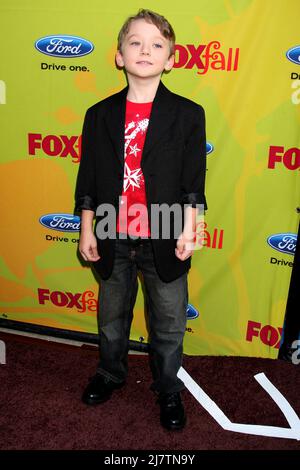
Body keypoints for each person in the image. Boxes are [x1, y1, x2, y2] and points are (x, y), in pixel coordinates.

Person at [75, 8, 207, 431]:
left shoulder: (188, 114)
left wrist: (190, 227)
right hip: (113, 232)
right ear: (119, 56)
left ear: (171, 58)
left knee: (169, 323)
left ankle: (168, 389)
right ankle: (110, 372)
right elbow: (90, 177)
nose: (144, 50)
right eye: (135, 42)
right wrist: (86, 228)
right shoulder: (98, 115)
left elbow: (193, 180)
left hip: (166, 234)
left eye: (156, 44)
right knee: (112, 317)